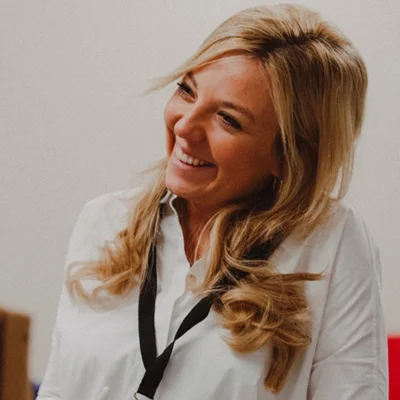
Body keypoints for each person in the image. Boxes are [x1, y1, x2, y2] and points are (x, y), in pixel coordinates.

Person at [36, 3, 388, 400]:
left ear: (289, 155)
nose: (185, 126)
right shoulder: (104, 219)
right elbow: (59, 389)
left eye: (228, 119)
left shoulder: (331, 241)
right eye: (186, 90)